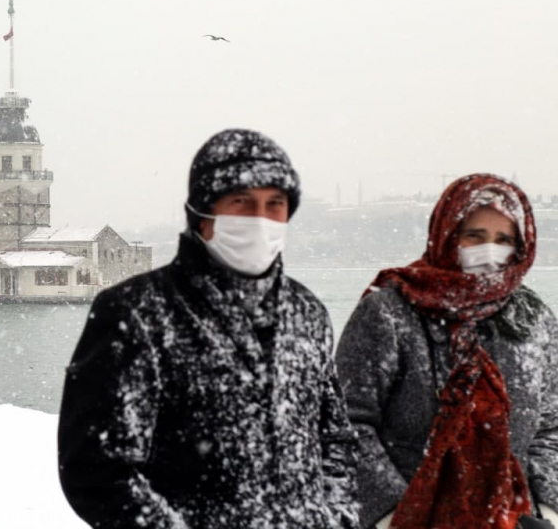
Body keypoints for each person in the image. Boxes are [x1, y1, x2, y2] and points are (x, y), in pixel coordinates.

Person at [57, 129, 359, 528]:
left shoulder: (307, 313)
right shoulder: (137, 313)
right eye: (241, 202)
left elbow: (335, 439)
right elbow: (97, 470)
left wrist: (335, 517)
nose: (260, 219)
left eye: (275, 204)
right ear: (203, 214)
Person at [336, 174, 558, 529]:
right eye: (475, 235)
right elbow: (345, 422)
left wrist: (545, 511)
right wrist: (393, 515)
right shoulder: (390, 312)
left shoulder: (534, 320)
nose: (490, 250)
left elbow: (551, 426)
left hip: (512, 520)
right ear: (448, 234)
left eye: (503, 239)